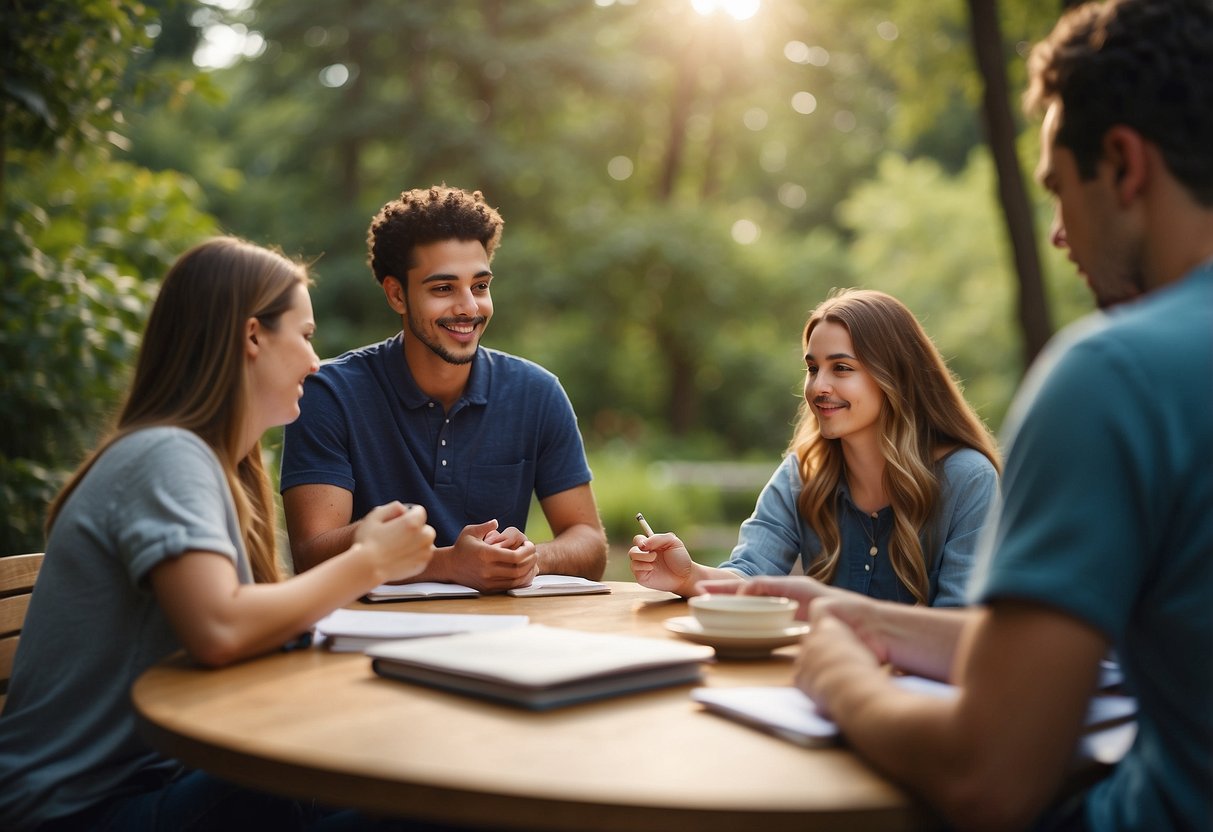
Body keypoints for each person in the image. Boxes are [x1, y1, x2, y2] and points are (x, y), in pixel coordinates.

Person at [704, 1, 1213, 829]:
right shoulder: (805, 473)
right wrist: (869, 620)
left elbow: (988, 775)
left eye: (1056, 189)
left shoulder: (1110, 375)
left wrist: (843, 676)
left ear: (1122, 166)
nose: (1055, 233)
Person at [0, 237, 436, 830]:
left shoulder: (214, 467)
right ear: (253, 336)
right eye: (305, 335)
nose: (316, 361)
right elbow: (220, 629)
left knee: (399, 779)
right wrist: (368, 563)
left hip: (162, 776)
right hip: (82, 809)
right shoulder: (166, 457)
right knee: (435, 804)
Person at [280, 185, 607, 592]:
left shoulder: (537, 393)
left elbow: (590, 542)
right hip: (367, 642)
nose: (469, 307)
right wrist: (447, 564)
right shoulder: (329, 393)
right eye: (443, 288)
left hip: (499, 638)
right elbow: (312, 553)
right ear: (397, 294)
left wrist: (529, 559)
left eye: (480, 286)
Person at [629, 288, 1001, 606]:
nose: (818, 386)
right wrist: (687, 576)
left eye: (841, 368)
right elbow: (750, 575)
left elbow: (962, 626)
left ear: (895, 378)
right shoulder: (803, 473)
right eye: (812, 368)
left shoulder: (968, 480)